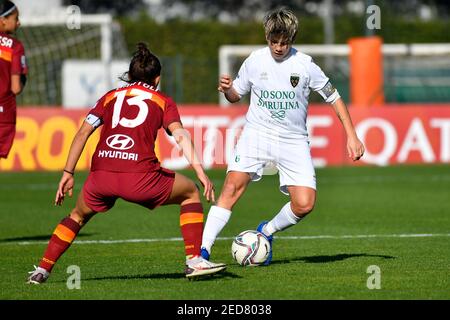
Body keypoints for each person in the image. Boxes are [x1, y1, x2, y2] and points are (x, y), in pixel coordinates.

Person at [27, 42, 226, 284]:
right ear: (158, 78)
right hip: (139, 177)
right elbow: (180, 135)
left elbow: (82, 133)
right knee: (191, 192)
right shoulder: (163, 101)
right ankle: (194, 260)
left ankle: (42, 270)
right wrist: (200, 172)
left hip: (101, 175)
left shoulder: (109, 97)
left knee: (77, 215)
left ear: (130, 76)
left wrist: (67, 172)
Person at [200, 8, 365, 265]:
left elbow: (334, 97)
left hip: (293, 140)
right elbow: (236, 95)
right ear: (267, 38)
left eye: (284, 42)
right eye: (273, 41)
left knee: (304, 204)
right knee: (232, 187)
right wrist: (227, 90)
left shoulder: (306, 65)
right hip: (257, 134)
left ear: (292, 39)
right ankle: (203, 253)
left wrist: (352, 136)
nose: (278, 47)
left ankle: (266, 231)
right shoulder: (254, 61)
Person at [0, 0, 27, 159]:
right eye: (15, 18)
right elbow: (16, 87)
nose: (18, 22)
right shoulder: (14, 46)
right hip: (3, 114)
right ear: (3, 20)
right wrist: (23, 79)